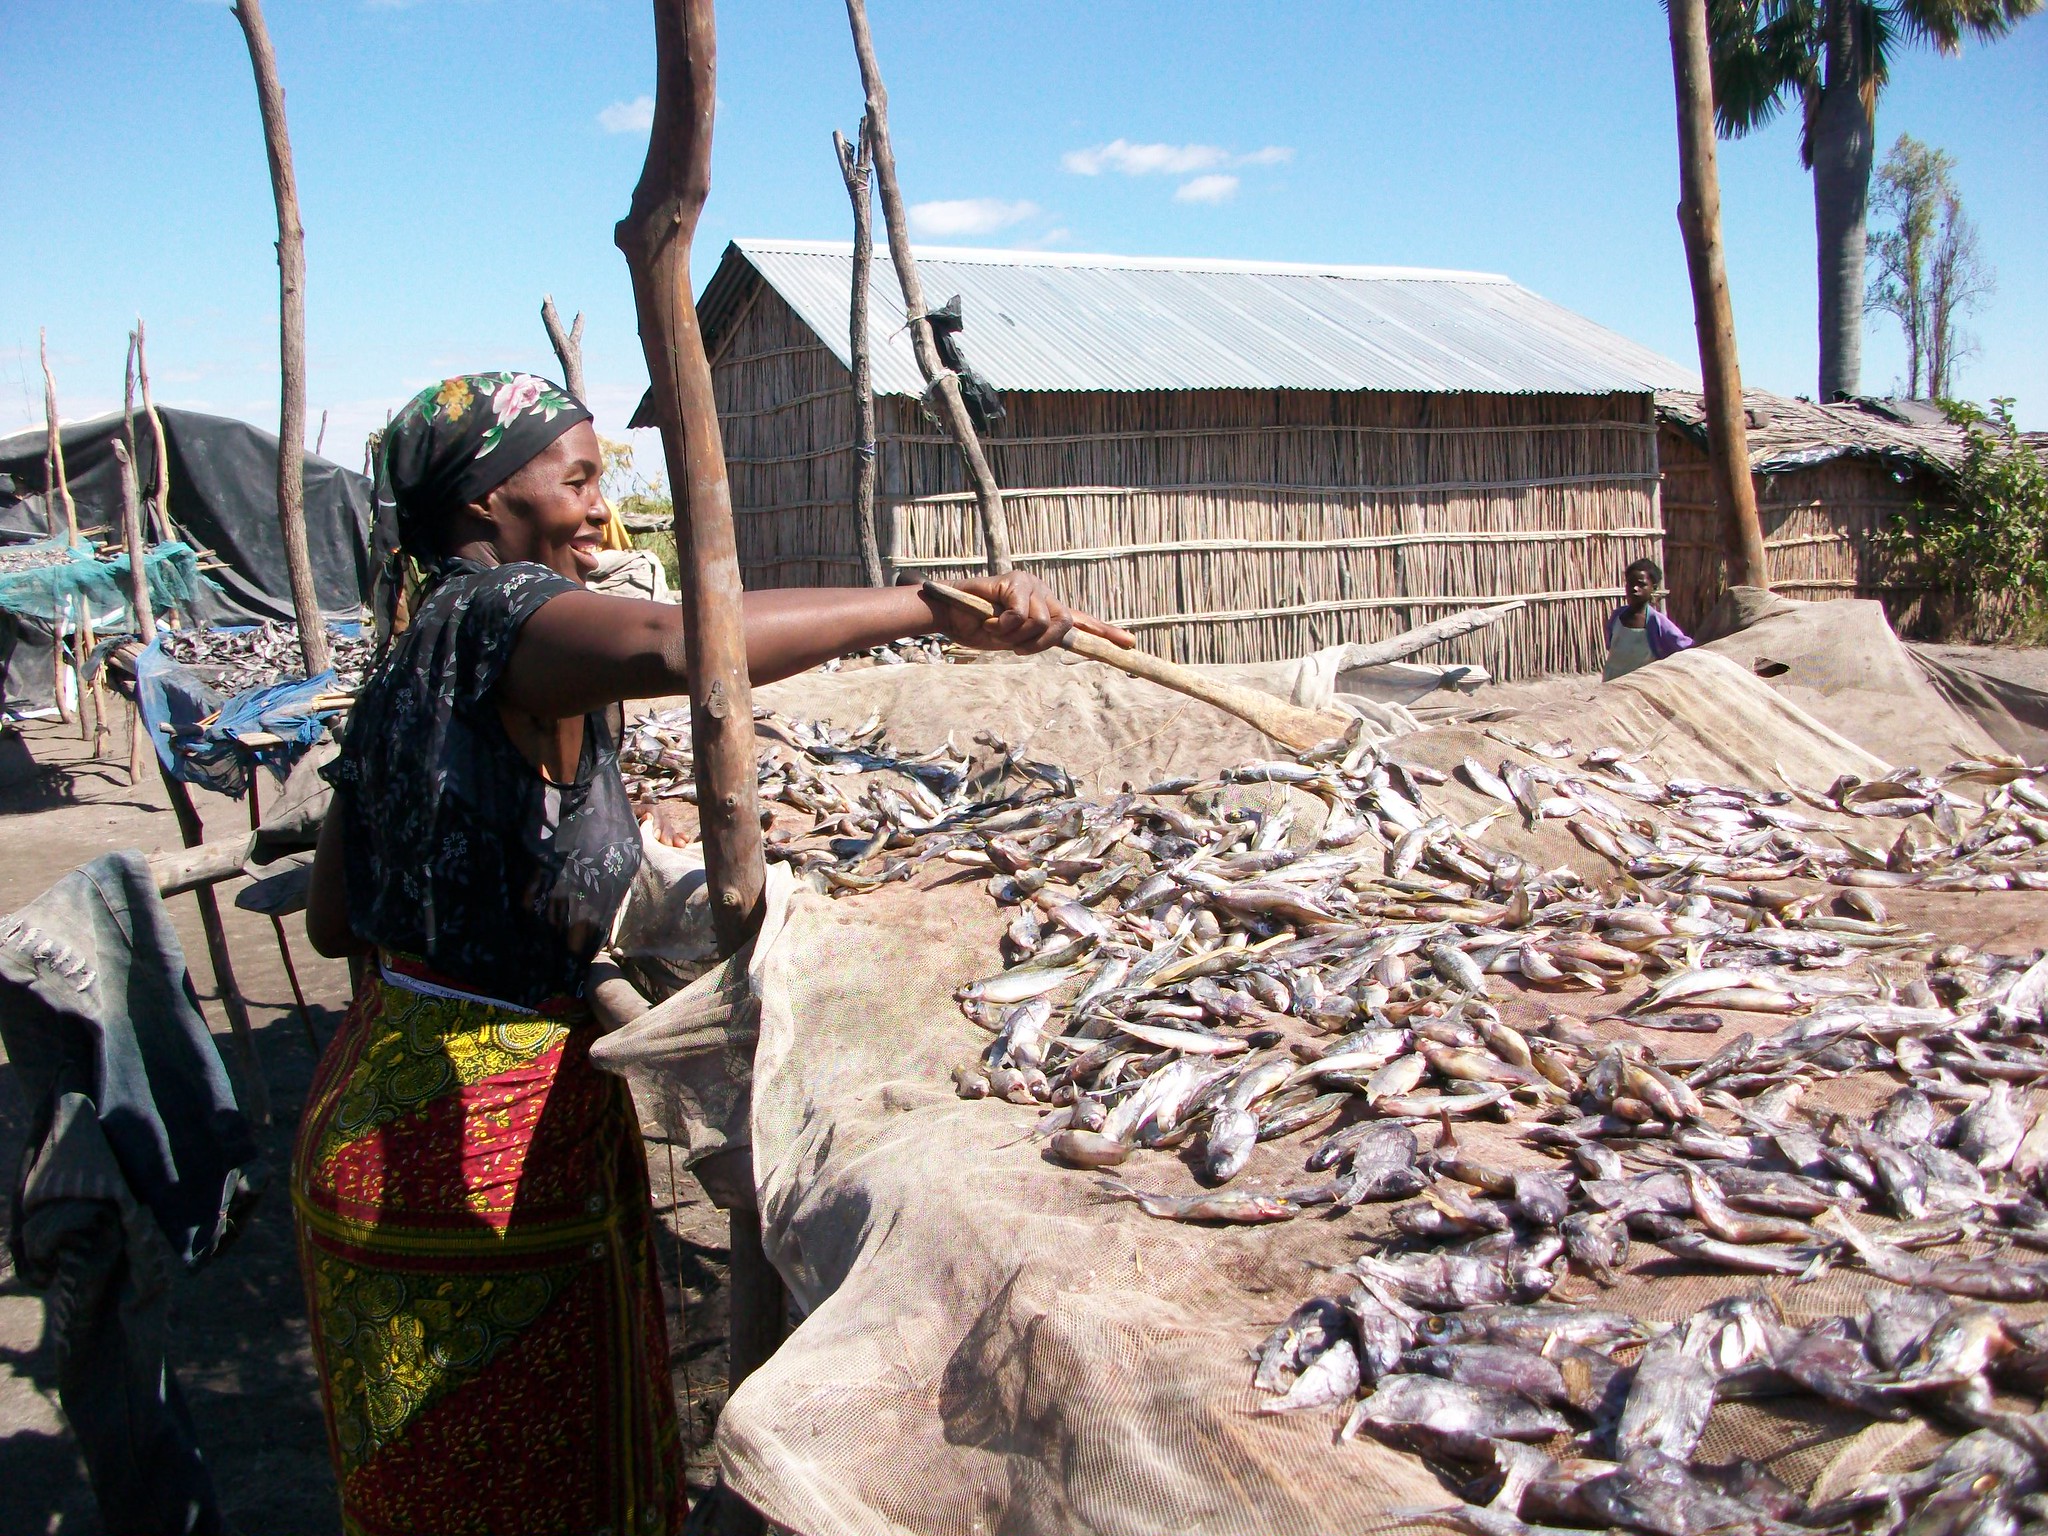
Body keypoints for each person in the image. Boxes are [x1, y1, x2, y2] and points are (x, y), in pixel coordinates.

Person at [295, 371, 1133, 1536]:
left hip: (372, 1096)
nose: (601, 508)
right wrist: (926, 608)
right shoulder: (500, 614)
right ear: (486, 503)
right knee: (536, 1479)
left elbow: (338, 920)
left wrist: (590, 846)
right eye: (576, 478)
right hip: (477, 1141)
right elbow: (682, 641)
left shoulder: (410, 649)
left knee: (435, 1481)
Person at [1603, 557, 1692, 681]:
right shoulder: (1617, 616)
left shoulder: (1657, 623)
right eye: (1630, 583)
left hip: (1639, 686)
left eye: (1641, 584)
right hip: (1611, 681)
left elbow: (1684, 646)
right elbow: (1611, 645)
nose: (1634, 588)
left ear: (1653, 588)